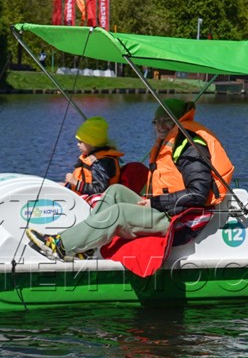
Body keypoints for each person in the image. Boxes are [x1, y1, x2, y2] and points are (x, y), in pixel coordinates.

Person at [26, 98, 234, 260]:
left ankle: (61, 246)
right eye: (157, 121)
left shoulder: (190, 147)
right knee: (114, 192)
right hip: (165, 210)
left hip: (181, 220)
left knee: (118, 213)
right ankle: (84, 247)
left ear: (179, 120)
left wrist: (155, 202)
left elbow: (197, 194)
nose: (161, 126)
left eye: (167, 120)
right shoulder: (170, 142)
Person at [63, 116, 124, 196]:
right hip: (78, 195)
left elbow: (100, 189)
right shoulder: (91, 157)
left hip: (90, 202)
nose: (77, 144)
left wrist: (75, 182)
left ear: (92, 142)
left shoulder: (100, 162)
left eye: (80, 142)